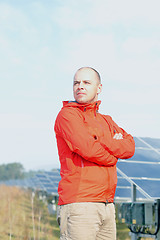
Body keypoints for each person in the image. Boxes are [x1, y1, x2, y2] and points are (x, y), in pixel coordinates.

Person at [54, 67, 135, 240]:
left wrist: (101, 140)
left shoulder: (106, 120)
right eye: (76, 83)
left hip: (107, 204)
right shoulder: (68, 115)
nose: (80, 86)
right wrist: (113, 157)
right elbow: (88, 148)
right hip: (80, 204)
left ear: (99, 88)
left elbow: (129, 146)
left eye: (86, 82)